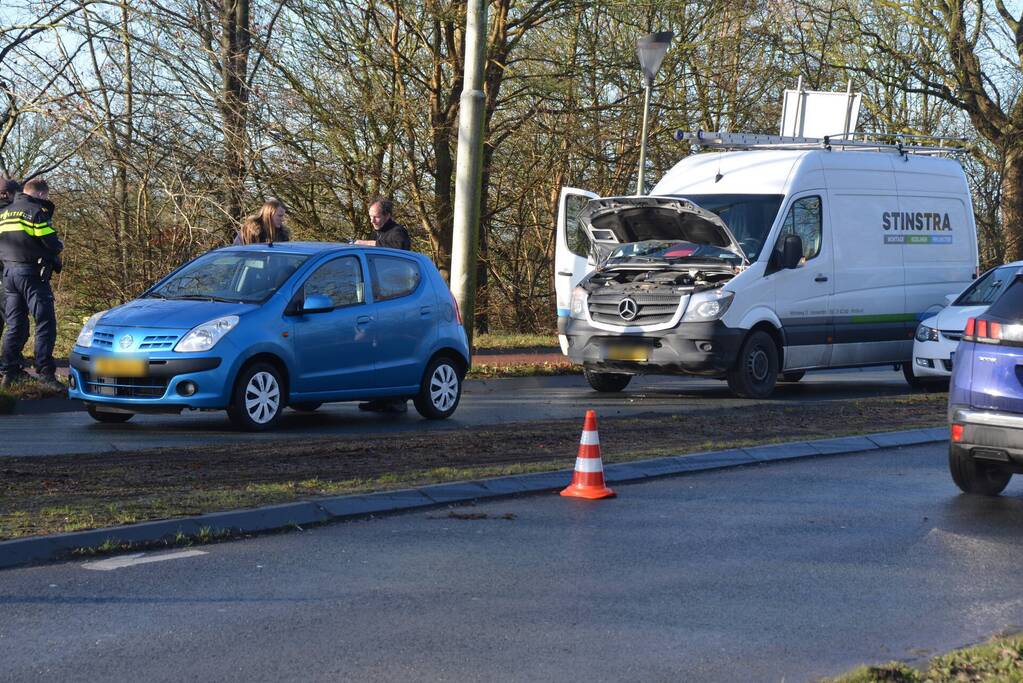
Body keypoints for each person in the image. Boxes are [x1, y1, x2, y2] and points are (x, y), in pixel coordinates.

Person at [0, 177, 63, 390]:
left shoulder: (4, 214)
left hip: (9, 274)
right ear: (41, 194)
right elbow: (52, 244)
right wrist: (56, 247)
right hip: (32, 274)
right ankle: (45, 372)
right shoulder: (35, 212)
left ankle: (10, 372)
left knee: (15, 324)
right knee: (45, 321)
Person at [359, 196, 411, 414]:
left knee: (393, 349)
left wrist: (365, 243)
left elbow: (397, 248)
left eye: (377, 217)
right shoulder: (379, 232)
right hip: (380, 299)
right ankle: (380, 397)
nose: (373, 221)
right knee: (375, 349)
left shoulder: (398, 232)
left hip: (396, 299)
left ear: (387, 215)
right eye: (371, 217)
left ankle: (397, 399)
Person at [0, 177, 22, 344]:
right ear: (8, 194)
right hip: (6, 270)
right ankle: (11, 360)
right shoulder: (12, 215)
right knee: (12, 316)